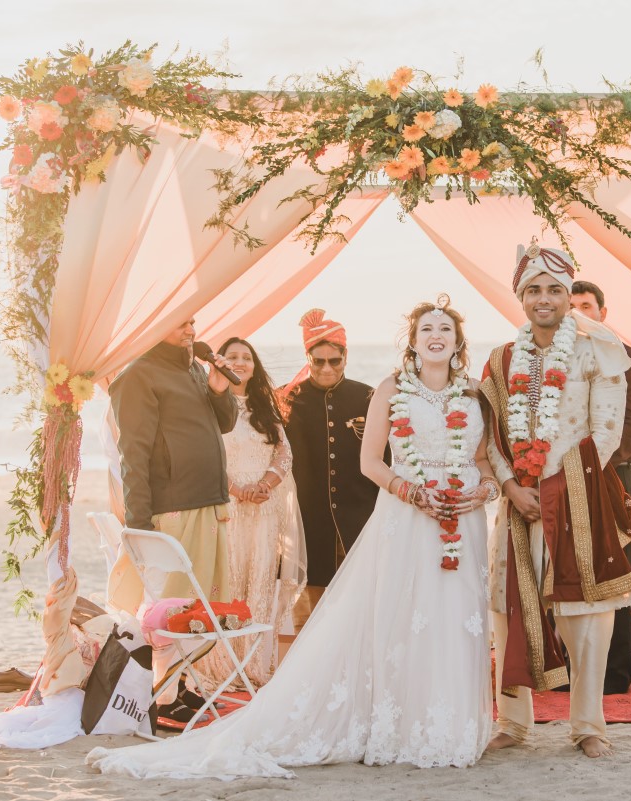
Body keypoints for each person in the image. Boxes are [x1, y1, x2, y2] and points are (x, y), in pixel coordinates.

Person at [87, 295, 497, 778]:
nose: (435, 335)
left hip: (460, 522)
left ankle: (452, 722)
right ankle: (402, 722)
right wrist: (410, 490)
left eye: (444, 328)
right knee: (402, 617)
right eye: (426, 327)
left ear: (458, 341)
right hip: (404, 518)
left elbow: (486, 461)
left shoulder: (476, 394)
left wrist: (485, 491)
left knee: (455, 618)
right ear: (413, 340)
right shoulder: (390, 389)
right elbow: (371, 462)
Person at [481, 243, 631, 759]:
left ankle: (589, 725)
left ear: (569, 295)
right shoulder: (502, 361)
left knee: (585, 615)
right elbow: (490, 437)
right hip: (518, 503)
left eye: (554, 289)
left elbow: (607, 432)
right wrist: (509, 486)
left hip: (578, 498)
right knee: (509, 609)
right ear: (520, 298)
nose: (543, 298)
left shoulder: (597, 352)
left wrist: (554, 489)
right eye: (533, 290)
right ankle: (514, 722)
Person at [106, 318, 238, 708]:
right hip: (174, 509)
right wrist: (139, 526)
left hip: (209, 504)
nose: (190, 329)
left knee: (199, 610)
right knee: (174, 608)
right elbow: (134, 454)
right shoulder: (138, 377)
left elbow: (226, 424)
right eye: (178, 322)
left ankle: (179, 689)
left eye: (192, 321)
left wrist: (218, 390)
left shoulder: (196, 368)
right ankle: (164, 696)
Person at [192, 338, 307, 690]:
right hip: (227, 507)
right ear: (219, 363)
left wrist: (266, 486)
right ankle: (220, 667)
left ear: (255, 367)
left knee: (258, 585)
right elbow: (204, 456)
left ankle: (253, 666)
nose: (239, 363)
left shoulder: (264, 407)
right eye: (233, 357)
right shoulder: (209, 404)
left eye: (246, 358)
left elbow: (283, 455)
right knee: (226, 583)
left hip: (264, 510)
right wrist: (238, 490)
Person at [570, 280, 631, 694]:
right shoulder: (559, 360)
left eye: (586, 305)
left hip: (612, 476)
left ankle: (615, 674)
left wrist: (592, 463)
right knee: (569, 574)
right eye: (572, 307)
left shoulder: (628, 360)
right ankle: (571, 671)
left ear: (603, 312)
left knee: (612, 574)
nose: (579, 313)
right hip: (565, 477)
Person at [279, 309, 380, 631]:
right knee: (312, 593)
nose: (326, 368)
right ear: (307, 358)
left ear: (345, 357)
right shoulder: (287, 398)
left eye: (333, 360)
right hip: (307, 515)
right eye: (317, 361)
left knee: (361, 594)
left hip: (360, 511)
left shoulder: (368, 397)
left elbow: (388, 455)